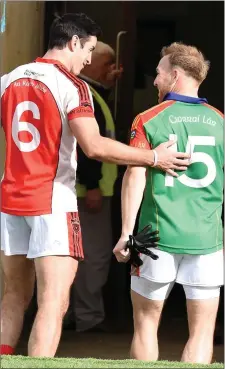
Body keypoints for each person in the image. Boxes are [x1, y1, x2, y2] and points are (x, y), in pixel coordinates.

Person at [0, 11, 189, 357]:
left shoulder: (8, 79)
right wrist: (153, 158)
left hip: (10, 197)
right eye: (87, 49)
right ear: (73, 42)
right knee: (53, 300)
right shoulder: (73, 85)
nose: (88, 59)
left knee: (13, 294)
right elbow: (95, 146)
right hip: (52, 200)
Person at [113, 42, 224, 364]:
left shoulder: (150, 118)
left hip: (155, 237)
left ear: (175, 75)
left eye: (159, 74)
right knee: (202, 332)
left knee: (146, 326)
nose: (155, 81)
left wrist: (125, 233)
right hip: (207, 240)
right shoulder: (220, 121)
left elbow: (135, 176)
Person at [72, 42, 121, 332]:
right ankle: (89, 319)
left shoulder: (88, 91)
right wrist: (91, 185)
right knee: (95, 255)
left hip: (88, 189)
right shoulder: (85, 93)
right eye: (107, 64)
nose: (111, 69)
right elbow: (87, 144)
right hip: (90, 192)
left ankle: (77, 315)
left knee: (82, 254)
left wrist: (108, 83)